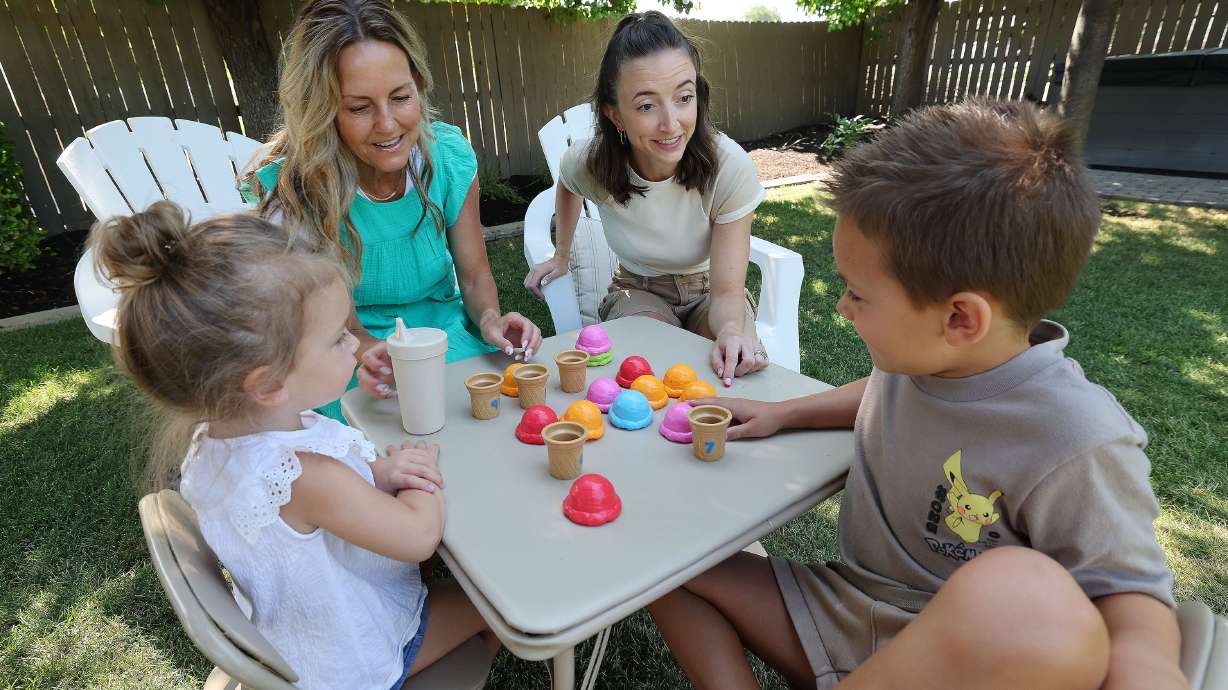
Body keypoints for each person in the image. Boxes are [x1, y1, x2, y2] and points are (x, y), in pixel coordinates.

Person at [647, 99, 1184, 689]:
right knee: (659, 564)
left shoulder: (1079, 440)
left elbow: (1133, 601)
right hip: (842, 610)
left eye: (857, 293)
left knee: (1023, 593)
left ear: (959, 320)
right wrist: (782, 414)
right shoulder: (926, 361)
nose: (842, 309)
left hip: (950, 662)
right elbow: (882, 394)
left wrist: (1147, 671)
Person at [90, 201, 498, 690]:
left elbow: (315, 512)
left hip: (294, 639)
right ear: (267, 386)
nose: (355, 345)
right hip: (354, 661)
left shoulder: (212, 444)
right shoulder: (305, 476)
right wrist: (422, 476)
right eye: (338, 339)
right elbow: (417, 537)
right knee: (495, 601)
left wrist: (381, 476)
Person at [245, 0, 541, 421]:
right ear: (322, 112)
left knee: (501, 417)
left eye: (401, 97)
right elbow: (342, 331)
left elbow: (474, 277)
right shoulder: (299, 194)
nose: (387, 125)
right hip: (351, 355)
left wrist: (491, 318)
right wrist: (376, 356)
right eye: (359, 107)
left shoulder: (448, 161)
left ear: (418, 87)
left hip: (444, 334)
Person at [523, 11, 768, 387]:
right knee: (645, 374)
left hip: (710, 292)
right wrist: (561, 255)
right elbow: (568, 186)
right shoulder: (591, 163)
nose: (671, 124)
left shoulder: (728, 167)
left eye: (684, 97)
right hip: (638, 291)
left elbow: (727, 292)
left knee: (734, 367)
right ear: (615, 114)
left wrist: (733, 331)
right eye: (646, 106)